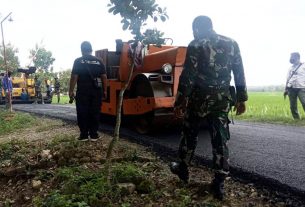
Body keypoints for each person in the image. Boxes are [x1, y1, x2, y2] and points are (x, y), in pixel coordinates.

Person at [169, 16, 248, 200]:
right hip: (221, 100)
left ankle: (182, 168)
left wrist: (180, 102)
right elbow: (239, 71)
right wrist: (241, 98)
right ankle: (219, 182)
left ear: (196, 29)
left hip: (199, 99)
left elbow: (188, 76)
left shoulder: (196, 45)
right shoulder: (232, 43)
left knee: (190, 133)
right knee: (220, 137)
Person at [69, 41, 107, 141]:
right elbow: (104, 77)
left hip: (83, 91)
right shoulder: (99, 61)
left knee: (82, 112)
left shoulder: (78, 61)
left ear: (82, 50)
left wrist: (71, 91)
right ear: (91, 49)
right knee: (95, 111)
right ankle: (94, 134)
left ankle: (84, 135)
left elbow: (74, 77)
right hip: (96, 91)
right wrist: (105, 91)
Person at [284, 52, 305, 119]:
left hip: (301, 88)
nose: (292, 60)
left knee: (304, 102)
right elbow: (287, 79)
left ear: (298, 58)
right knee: (292, 106)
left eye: (293, 58)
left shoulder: (303, 66)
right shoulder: (290, 68)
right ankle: (297, 119)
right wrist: (286, 89)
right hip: (291, 88)